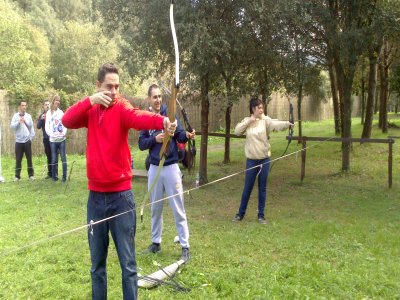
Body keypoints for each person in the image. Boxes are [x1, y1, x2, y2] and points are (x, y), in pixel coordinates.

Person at [62, 63, 176, 300]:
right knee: (97, 267)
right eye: (108, 86)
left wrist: (162, 121)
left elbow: (138, 117)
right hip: (95, 199)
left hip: (121, 198)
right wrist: (90, 100)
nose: (113, 91)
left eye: (117, 86)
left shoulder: (122, 107)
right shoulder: (92, 110)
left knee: (128, 265)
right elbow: (67, 120)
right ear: (97, 86)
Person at [138, 84, 195, 262]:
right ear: (149, 99)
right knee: (156, 208)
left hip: (170, 167)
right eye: (154, 97)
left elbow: (179, 135)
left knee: (178, 208)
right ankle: (156, 242)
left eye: (160, 96)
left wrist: (187, 135)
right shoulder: (146, 118)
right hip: (155, 167)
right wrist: (154, 139)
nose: (158, 100)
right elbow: (141, 144)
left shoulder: (169, 114)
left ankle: (185, 246)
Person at [232, 98, 294, 224]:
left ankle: (261, 215)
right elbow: (237, 131)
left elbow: (276, 124)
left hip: (264, 160)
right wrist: (249, 121)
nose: (261, 110)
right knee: (247, 188)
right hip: (251, 161)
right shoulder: (247, 121)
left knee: (262, 188)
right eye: (259, 107)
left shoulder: (265, 120)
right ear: (253, 109)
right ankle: (240, 214)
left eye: (262, 107)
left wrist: (288, 123)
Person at [10, 100, 35, 181]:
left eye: (25, 105)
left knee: (29, 159)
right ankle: (17, 176)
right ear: (20, 106)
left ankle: (31, 175)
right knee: (18, 159)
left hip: (27, 141)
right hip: (19, 142)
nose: (24, 107)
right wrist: (18, 122)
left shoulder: (29, 116)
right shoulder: (15, 116)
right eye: (22, 105)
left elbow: (31, 128)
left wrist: (30, 138)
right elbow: (12, 127)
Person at [45, 95, 67, 182]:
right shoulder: (48, 113)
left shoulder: (61, 113)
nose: (58, 102)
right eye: (56, 100)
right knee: (54, 159)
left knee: (63, 158)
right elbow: (47, 126)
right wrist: (51, 134)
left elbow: (65, 124)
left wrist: (63, 133)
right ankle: (54, 177)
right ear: (53, 101)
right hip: (53, 140)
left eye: (59, 101)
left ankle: (64, 177)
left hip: (61, 140)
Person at [37, 99, 52, 179]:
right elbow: (38, 127)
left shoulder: (53, 114)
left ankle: (55, 173)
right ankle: (50, 173)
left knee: (54, 155)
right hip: (46, 139)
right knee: (49, 156)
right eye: (46, 104)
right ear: (43, 106)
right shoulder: (42, 115)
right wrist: (41, 119)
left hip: (53, 139)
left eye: (48, 104)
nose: (47, 105)